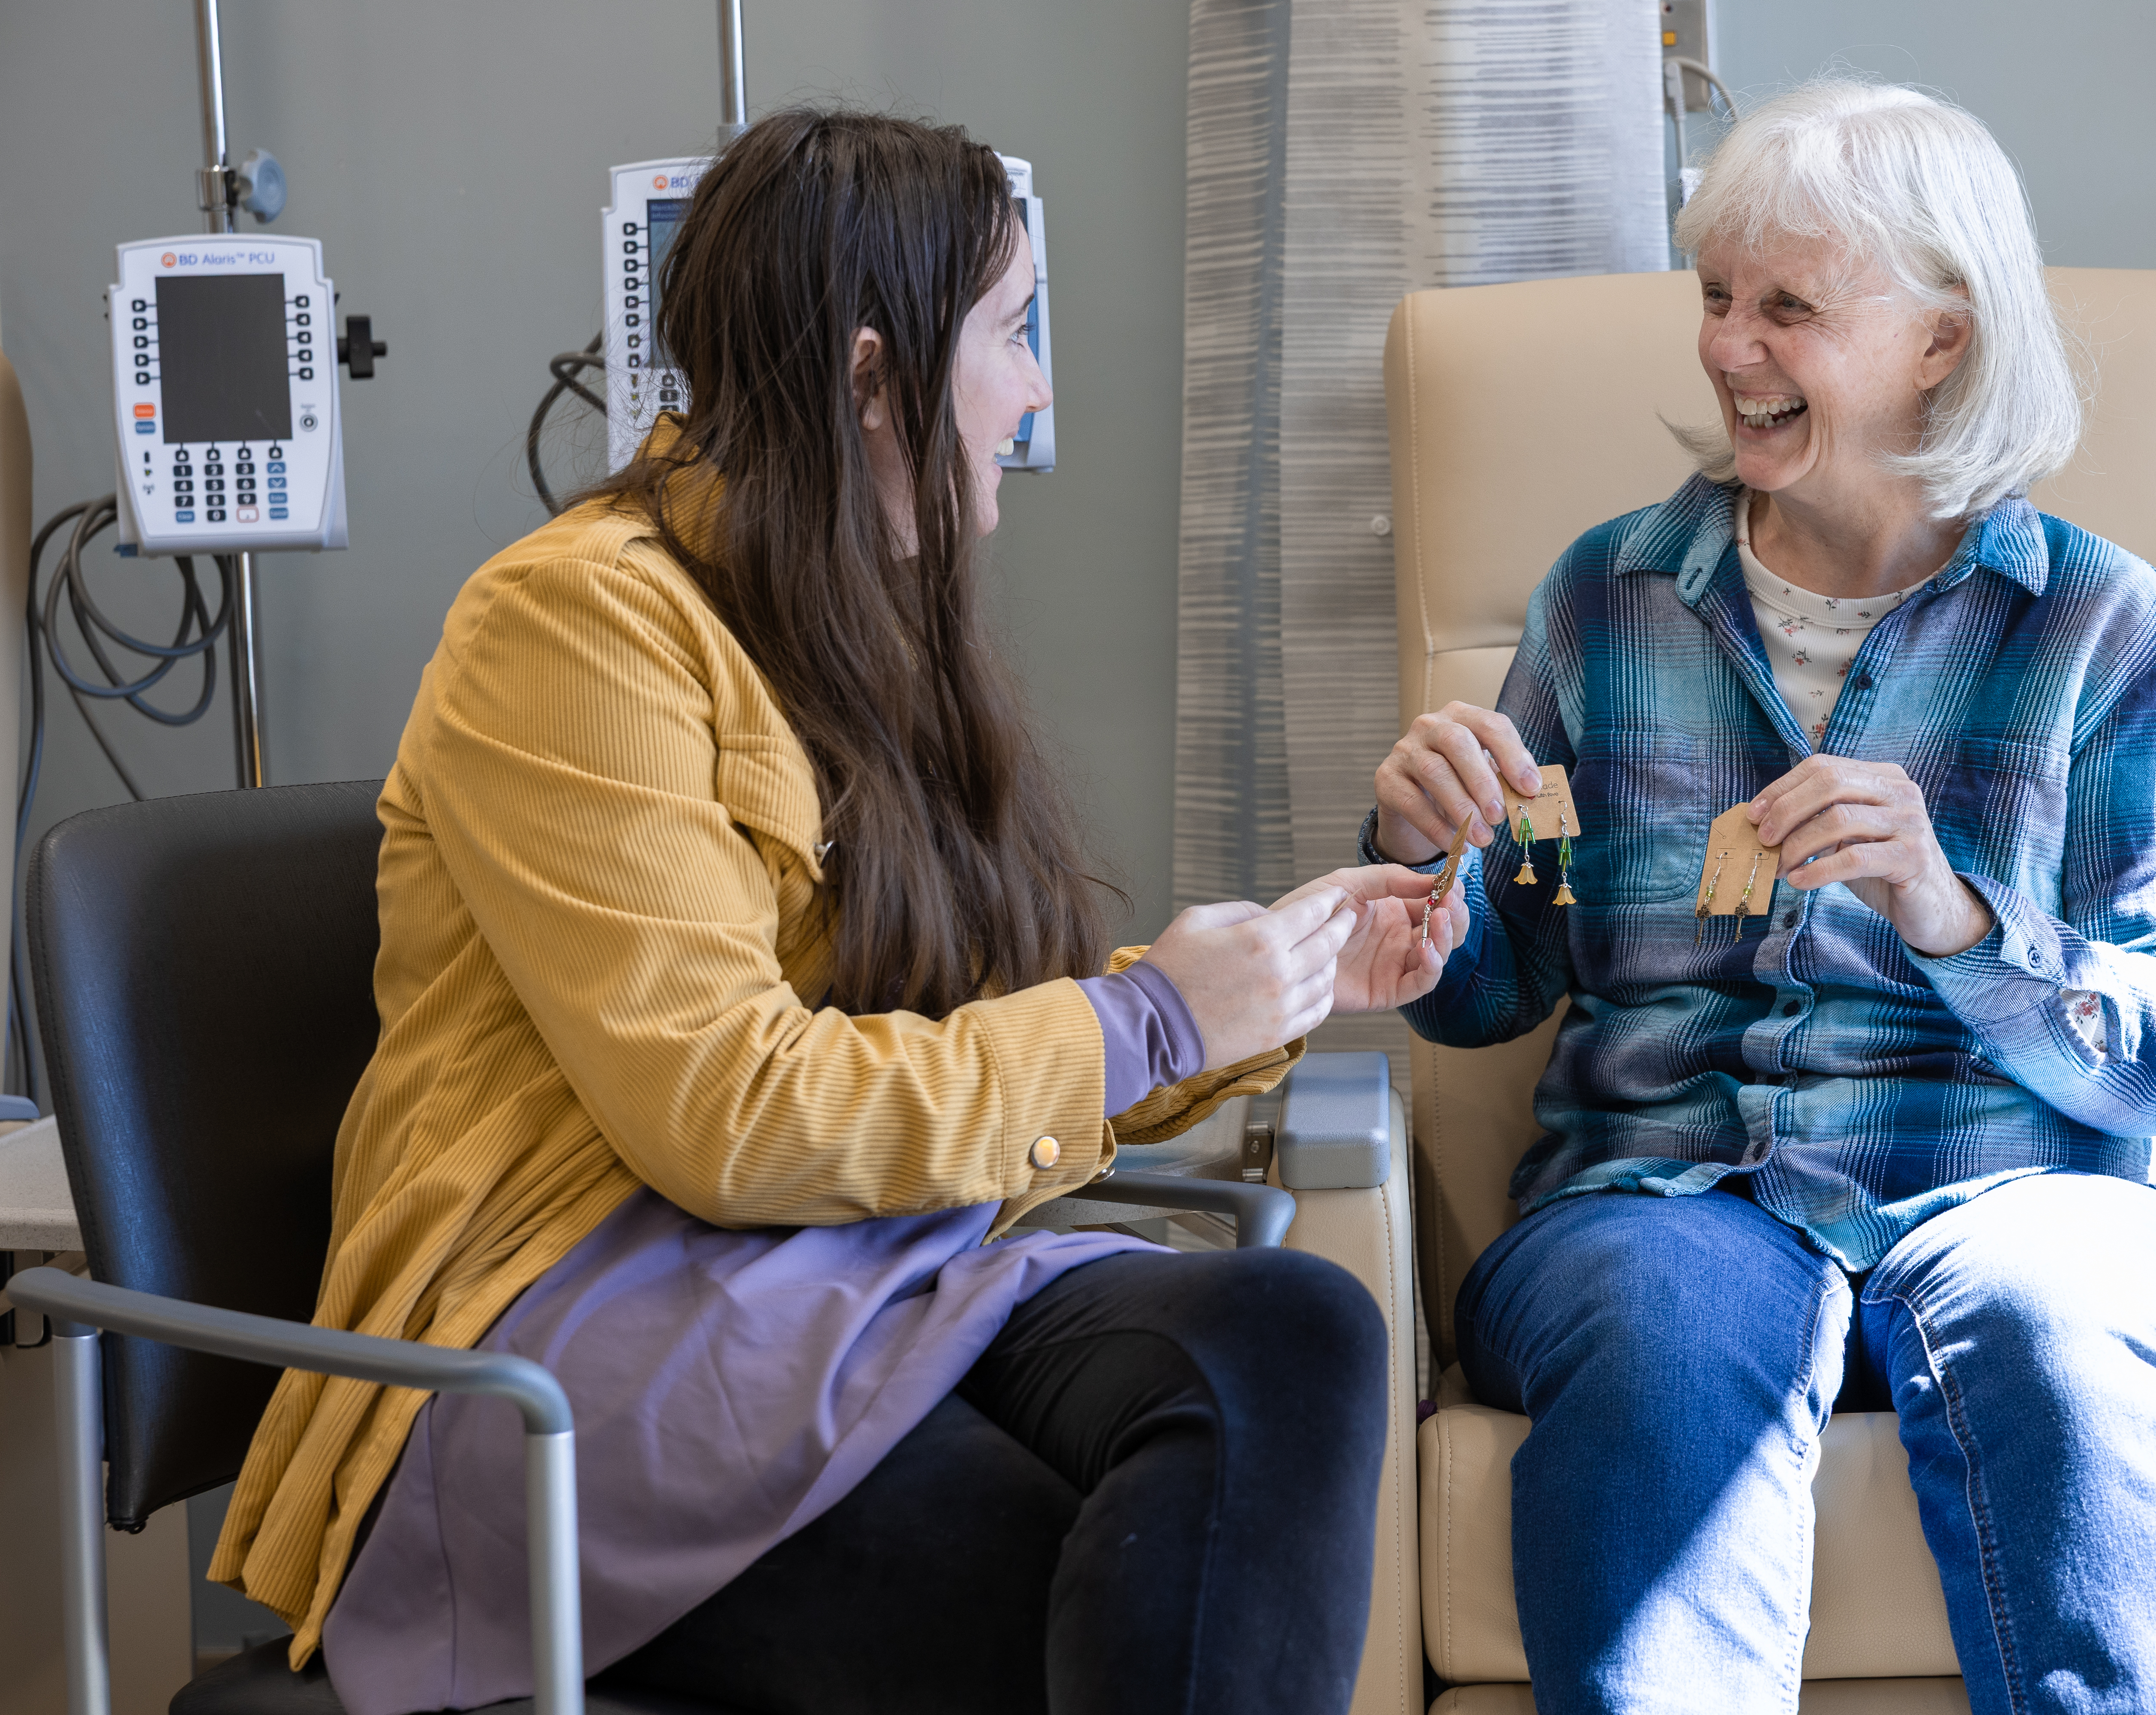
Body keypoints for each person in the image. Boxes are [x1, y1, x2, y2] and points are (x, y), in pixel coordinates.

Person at [207, 109, 1456, 1715]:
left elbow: (951, 1034)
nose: (1037, 389)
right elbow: (728, 1117)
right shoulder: (577, 623)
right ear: (872, 381)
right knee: (1075, 1586)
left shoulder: (859, 618)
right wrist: (1153, 1019)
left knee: (1291, 1333)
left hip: (858, 1277)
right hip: (579, 1344)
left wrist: (1262, 997)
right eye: (1012, 334)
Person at [1369, 83, 2156, 1715]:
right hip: (1666, 1196)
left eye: (1789, 309)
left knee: (2069, 1328)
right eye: (1717, 298)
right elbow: (1507, 969)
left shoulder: (2106, 632)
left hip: (2013, 1193)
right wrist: (1431, 876)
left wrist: (1959, 917)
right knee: (1666, 1324)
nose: (1726, 348)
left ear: (1941, 339)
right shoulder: (1607, 601)